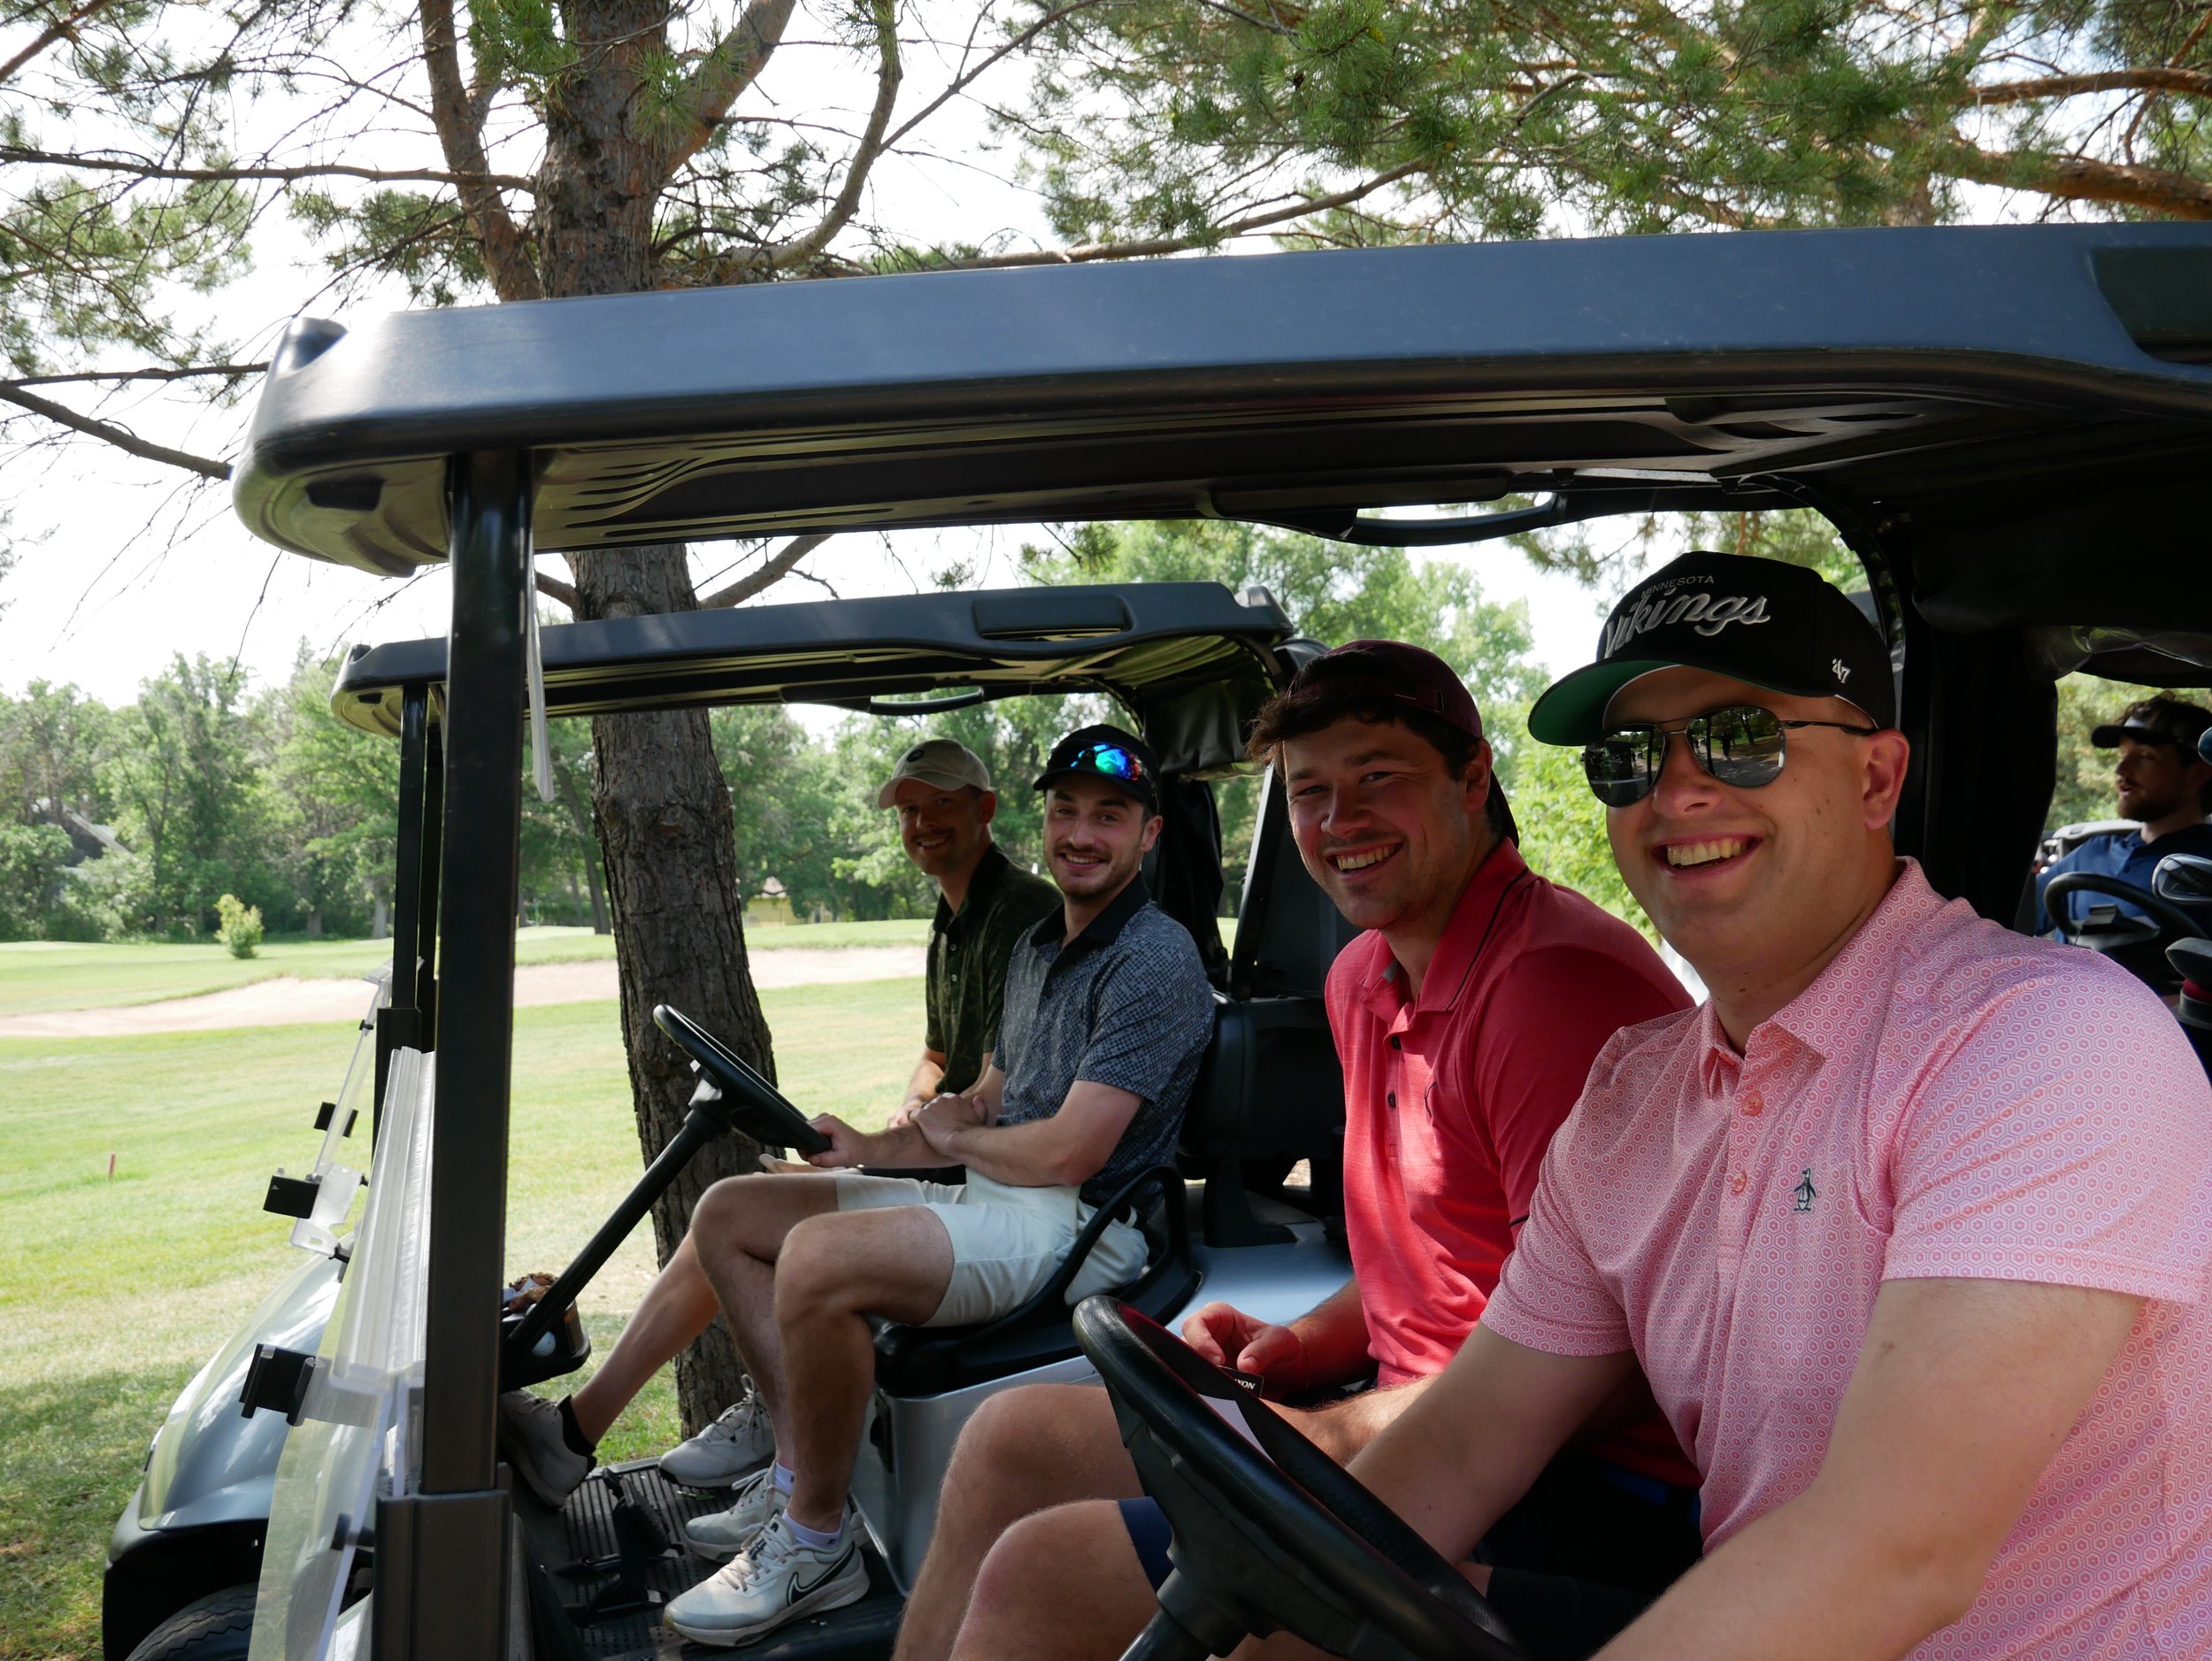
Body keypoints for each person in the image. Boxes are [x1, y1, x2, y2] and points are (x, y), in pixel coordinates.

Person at [1242, 553, 2212, 1661]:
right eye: (1630, 756)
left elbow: (1895, 1548)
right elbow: (1463, 1442)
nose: (1677, 789)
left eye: (1739, 735)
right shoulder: (1631, 1094)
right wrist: (1274, 1624)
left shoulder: (2044, 1043)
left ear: (1874, 779)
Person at [913, 642, 1697, 1661]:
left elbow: (1611, 1361)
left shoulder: (1551, 991)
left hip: (1579, 1493)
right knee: (1009, 1441)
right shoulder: (1362, 977)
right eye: (1308, 790)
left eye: (1378, 776)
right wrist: (1310, 1341)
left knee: (1046, 1572)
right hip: (1426, 1418)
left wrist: (1342, 1430)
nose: (1338, 822)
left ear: (1472, 780)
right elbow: (1440, 1271)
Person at [503, 722, 1215, 1648]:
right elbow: (993, 1099)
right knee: (733, 1214)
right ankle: (799, 1471)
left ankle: (816, 1540)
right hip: (1009, 1198)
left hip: (1085, 1226)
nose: (1080, 833)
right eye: (1067, 811)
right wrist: (871, 1145)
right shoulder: (1040, 947)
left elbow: (1067, 1153)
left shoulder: (1153, 960)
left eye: (1108, 817)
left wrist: (957, 1132)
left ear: (1149, 834)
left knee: (819, 1259)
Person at [500, 738, 1059, 1498]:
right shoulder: (955, 917)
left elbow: (998, 1098)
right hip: (942, 1151)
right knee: (729, 1211)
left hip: (980, 1178)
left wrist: (893, 1148)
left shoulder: (1020, 917)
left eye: (943, 805)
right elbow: (939, 1054)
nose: (923, 823)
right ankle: (585, 1433)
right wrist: (912, 1105)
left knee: (752, 1223)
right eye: (910, 811)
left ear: (985, 809)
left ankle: (782, 1431)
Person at [2033, 695, 2212, 939]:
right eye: (2122, 756)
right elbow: (2005, 917)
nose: (2121, 771)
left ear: (2198, 774)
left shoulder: (2206, 866)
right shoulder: (2091, 854)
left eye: (2146, 757)